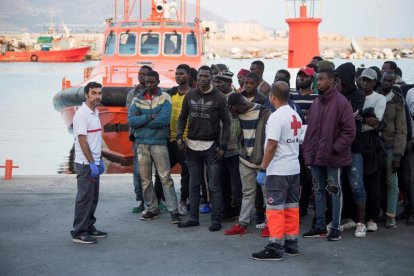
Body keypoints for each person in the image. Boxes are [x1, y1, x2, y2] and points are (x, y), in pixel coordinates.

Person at [302, 67, 356, 241]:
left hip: (333, 157)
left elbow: (349, 131)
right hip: (316, 156)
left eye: (322, 79)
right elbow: (310, 130)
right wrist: (308, 151)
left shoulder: (341, 102)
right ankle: (319, 226)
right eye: (317, 79)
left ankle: (335, 228)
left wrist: (335, 148)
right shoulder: (317, 102)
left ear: (332, 80)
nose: (318, 82)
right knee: (317, 190)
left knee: (334, 190)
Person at [176, 65, 231, 231]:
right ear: (197, 77)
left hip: (212, 146)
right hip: (192, 146)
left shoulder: (220, 97)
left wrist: (223, 145)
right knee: (194, 184)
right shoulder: (190, 95)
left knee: (214, 185)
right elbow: (182, 117)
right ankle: (193, 217)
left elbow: (227, 123)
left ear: (211, 78)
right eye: (200, 76)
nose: (203, 79)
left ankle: (216, 220)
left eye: (206, 76)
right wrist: (179, 136)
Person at [251, 81, 302, 261]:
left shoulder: (276, 117)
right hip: (294, 169)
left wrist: (263, 168)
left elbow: (272, 144)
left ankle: (275, 246)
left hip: (278, 171)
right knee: (291, 208)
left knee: (274, 209)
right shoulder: (295, 115)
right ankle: (291, 243)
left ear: (272, 96)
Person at [128, 70, 181, 224]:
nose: (149, 85)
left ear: (158, 82)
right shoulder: (137, 98)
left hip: (159, 143)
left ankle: (173, 211)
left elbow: (163, 121)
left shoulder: (165, 97)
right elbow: (131, 121)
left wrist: (142, 121)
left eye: (152, 82)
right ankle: (152, 208)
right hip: (142, 144)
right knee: (145, 179)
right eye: (147, 82)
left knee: (165, 178)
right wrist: (149, 117)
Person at [224, 93, 271, 235]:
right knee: (247, 193)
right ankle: (242, 223)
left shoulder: (265, 113)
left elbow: (271, 139)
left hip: (263, 161)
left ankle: (270, 224)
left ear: (243, 103)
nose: (235, 112)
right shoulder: (237, 114)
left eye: (236, 110)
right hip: (245, 160)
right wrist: (234, 117)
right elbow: (233, 137)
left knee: (267, 193)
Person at [71, 82, 107, 244]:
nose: (97, 96)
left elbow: (95, 140)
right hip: (85, 164)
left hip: (94, 161)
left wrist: (100, 161)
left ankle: (89, 225)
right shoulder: (82, 114)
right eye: (94, 93)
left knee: (93, 197)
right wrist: (92, 163)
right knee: (84, 198)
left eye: (99, 93)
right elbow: (82, 140)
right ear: (86, 95)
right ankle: (78, 232)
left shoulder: (95, 112)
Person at [154, 64, 191, 216]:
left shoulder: (193, 95)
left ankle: (183, 201)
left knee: (186, 173)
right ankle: (157, 202)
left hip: (187, 141)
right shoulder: (169, 93)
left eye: (181, 73)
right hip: (170, 140)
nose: (178, 76)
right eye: (176, 74)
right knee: (160, 172)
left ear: (188, 75)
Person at [335, 62, 367, 237]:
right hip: (337, 147)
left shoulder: (358, 94)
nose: (336, 81)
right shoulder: (336, 94)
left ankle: (361, 221)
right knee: (340, 185)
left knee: (356, 184)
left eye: (339, 78)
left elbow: (351, 115)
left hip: (354, 147)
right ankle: (347, 218)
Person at [359, 68, 386, 232]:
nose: (365, 83)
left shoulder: (379, 98)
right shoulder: (357, 97)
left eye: (369, 80)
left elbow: (376, 122)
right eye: (363, 79)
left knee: (373, 183)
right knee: (358, 181)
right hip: (357, 143)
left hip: (372, 144)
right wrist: (364, 118)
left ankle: (372, 218)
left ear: (375, 82)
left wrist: (360, 117)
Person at [380, 71, 407, 228]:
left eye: (390, 80)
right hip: (375, 145)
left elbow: (401, 130)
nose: (387, 83)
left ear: (393, 82)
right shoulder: (374, 95)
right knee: (376, 182)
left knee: (392, 182)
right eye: (385, 80)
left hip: (390, 146)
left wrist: (398, 155)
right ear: (381, 80)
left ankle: (391, 215)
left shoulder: (397, 101)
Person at [215, 70, 243, 221]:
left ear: (228, 82)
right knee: (222, 181)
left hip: (235, 148)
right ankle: (226, 209)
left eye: (221, 82)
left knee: (237, 183)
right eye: (216, 81)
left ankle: (238, 210)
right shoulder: (215, 97)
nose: (218, 84)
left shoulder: (237, 98)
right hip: (218, 147)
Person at [290, 66, 317, 218]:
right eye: (300, 76)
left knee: (308, 178)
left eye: (305, 76)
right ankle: (296, 208)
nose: (301, 78)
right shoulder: (292, 95)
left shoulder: (316, 97)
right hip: (293, 142)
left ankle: (304, 207)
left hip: (309, 142)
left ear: (311, 79)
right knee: (296, 177)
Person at [126, 65, 152, 214]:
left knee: (156, 170)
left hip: (155, 136)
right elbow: (133, 115)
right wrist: (150, 116)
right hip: (137, 135)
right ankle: (140, 199)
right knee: (137, 169)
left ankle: (157, 199)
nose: (141, 76)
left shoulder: (158, 93)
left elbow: (160, 113)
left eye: (144, 74)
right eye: (139, 73)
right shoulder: (132, 94)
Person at [402, 86, 414, 225]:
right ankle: (410, 210)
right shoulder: (410, 92)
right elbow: (407, 119)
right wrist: (409, 138)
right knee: (409, 179)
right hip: (411, 141)